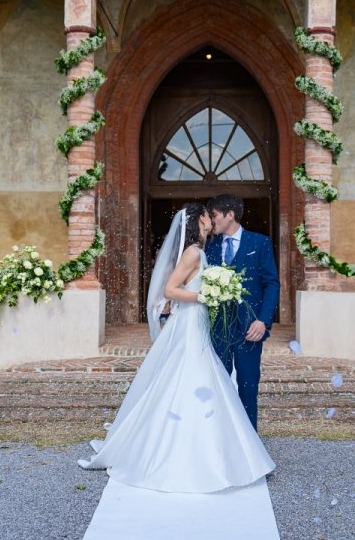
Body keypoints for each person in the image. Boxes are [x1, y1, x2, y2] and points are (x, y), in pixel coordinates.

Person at [77, 203, 275, 493]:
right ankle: (187, 452)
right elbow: (170, 290)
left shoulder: (202, 250)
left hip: (199, 324)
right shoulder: (194, 252)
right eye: (208, 215)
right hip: (190, 322)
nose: (212, 218)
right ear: (200, 221)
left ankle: (211, 448)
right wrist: (204, 296)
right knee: (192, 375)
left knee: (200, 376)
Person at [205, 195, 280, 430]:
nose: (211, 221)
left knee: (248, 385)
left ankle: (250, 446)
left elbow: (271, 284)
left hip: (250, 328)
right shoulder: (209, 246)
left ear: (230, 215)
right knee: (218, 383)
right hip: (217, 328)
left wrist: (263, 321)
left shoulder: (259, 243)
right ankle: (221, 438)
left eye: (214, 215)